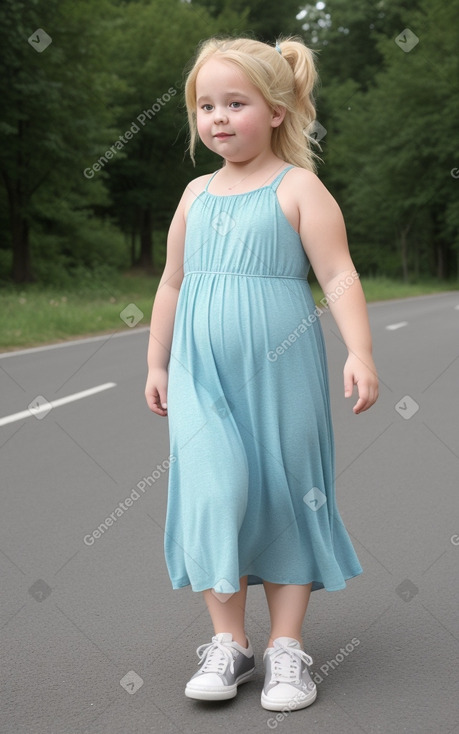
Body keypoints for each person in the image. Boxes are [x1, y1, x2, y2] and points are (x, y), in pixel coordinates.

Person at [145, 36, 378, 712]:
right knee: (214, 491)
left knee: (285, 493)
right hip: (200, 372)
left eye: (235, 103)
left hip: (282, 373)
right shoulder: (194, 194)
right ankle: (227, 643)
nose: (217, 118)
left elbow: (337, 276)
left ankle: (284, 649)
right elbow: (170, 282)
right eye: (205, 106)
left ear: (276, 111)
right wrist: (156, 360)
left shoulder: (298, 187)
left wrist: (359, 351)